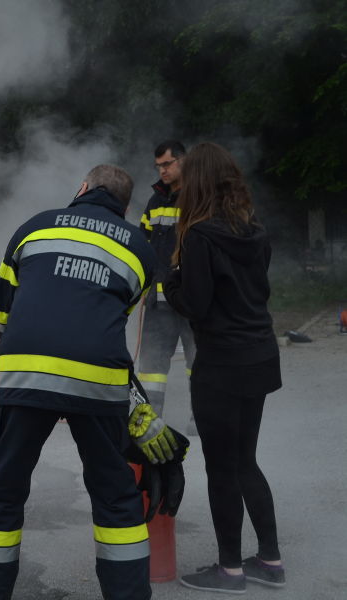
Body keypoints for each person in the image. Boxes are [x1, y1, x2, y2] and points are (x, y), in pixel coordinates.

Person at [0, 165, 159, 600]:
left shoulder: (33, 227)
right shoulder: (139, 247)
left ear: (83, 188)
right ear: (124, 207)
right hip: (98, 379)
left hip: (26, 373)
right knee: (115, 496)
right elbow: (114, 314)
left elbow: (1, 313)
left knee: (1, 490)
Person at [163, 142, 285, 594]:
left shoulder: (199, 237)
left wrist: (170, 282)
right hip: (259, 355)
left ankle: (230, 570)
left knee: (221, 467)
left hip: (220, 363)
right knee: (246, 460)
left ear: (197, 182)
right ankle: (270, 560)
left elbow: (195, 304)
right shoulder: (254, 230)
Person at [138, 141, 197, 431]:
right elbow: (141, 244)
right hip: (158, 302)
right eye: (158, 166)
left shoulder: (199, 197)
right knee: (151, 367)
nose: (162, 170)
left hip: (193, 299)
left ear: (183, 161)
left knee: (198, 359)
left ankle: (200, 418)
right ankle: (150, 419)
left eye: (167, 164)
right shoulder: (155, 201)